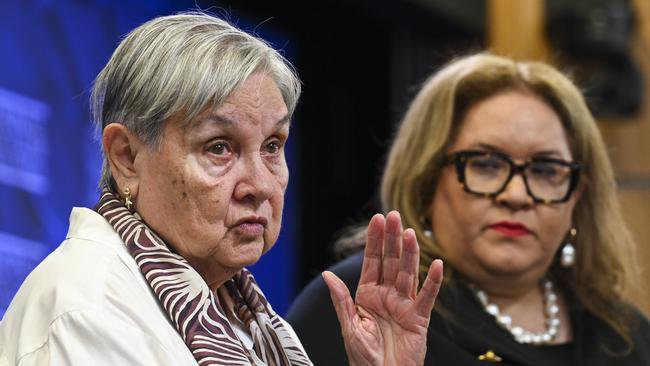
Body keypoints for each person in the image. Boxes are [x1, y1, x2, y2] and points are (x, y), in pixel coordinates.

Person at [0, 12, 444, 366]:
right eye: (219, 148)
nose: (260, 185)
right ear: (126, 157)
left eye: (273, 145)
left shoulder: (241, 310)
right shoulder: (88, 313)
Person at [287, 53, 650, 365]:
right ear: (427, 181)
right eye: (487, 164)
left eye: (545, 170)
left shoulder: (624, 336)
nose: (517, 195)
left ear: (577, 196)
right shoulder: (358, 306)